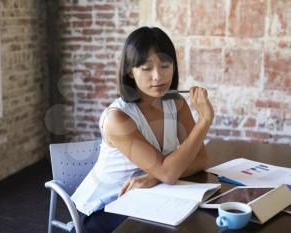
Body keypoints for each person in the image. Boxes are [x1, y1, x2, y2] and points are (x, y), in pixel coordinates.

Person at [71, 26, 214, 233]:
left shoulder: (176, 103)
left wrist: (154, 176)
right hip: (107, 206)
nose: (158, 76)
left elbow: (201, 159)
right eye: (146, 69)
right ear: (130, 71)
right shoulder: (117, 118)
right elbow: (169, 172)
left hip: (151, 193)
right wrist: (204, 120)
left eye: (165, 65)